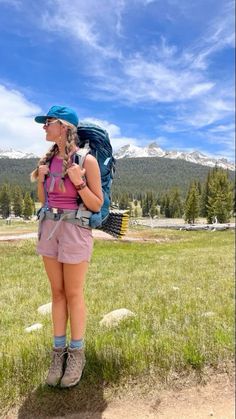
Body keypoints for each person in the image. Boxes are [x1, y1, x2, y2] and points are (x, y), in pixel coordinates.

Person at [31, 105, 103, 388]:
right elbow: (43, 199)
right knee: (57, 293)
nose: (43, 127)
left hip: (75, 230)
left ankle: (76, 353)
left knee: (73, 293)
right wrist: (42, 175)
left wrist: (79, 182)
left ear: (64, 127)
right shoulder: (47, 159)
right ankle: (57, 352)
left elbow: (96, 204)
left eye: (48, 122)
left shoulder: (87, 161)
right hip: (49, 229)